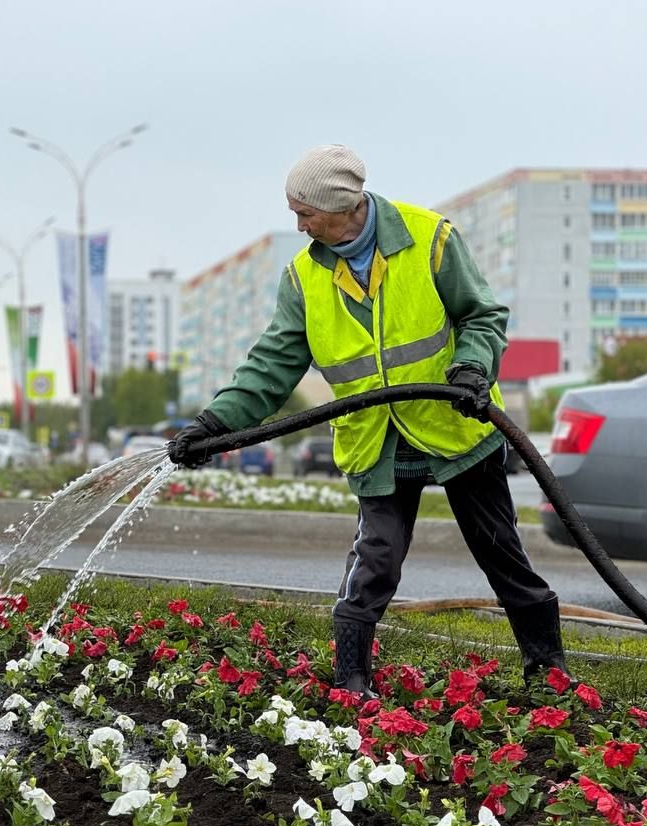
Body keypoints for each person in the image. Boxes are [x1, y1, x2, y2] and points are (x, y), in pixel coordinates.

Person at [168, 144, 568, 697]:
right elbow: (273, 362)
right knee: (375, 558)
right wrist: (216, 423)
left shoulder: (431, 239)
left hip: (452, 421)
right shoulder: (305, 276)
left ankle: (547, 670)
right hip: (376, 439)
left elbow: (482, 316)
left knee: (500, 549)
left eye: (306, 212)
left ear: (344, 206)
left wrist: (472, 369)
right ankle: (352, 679)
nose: (298, 223)